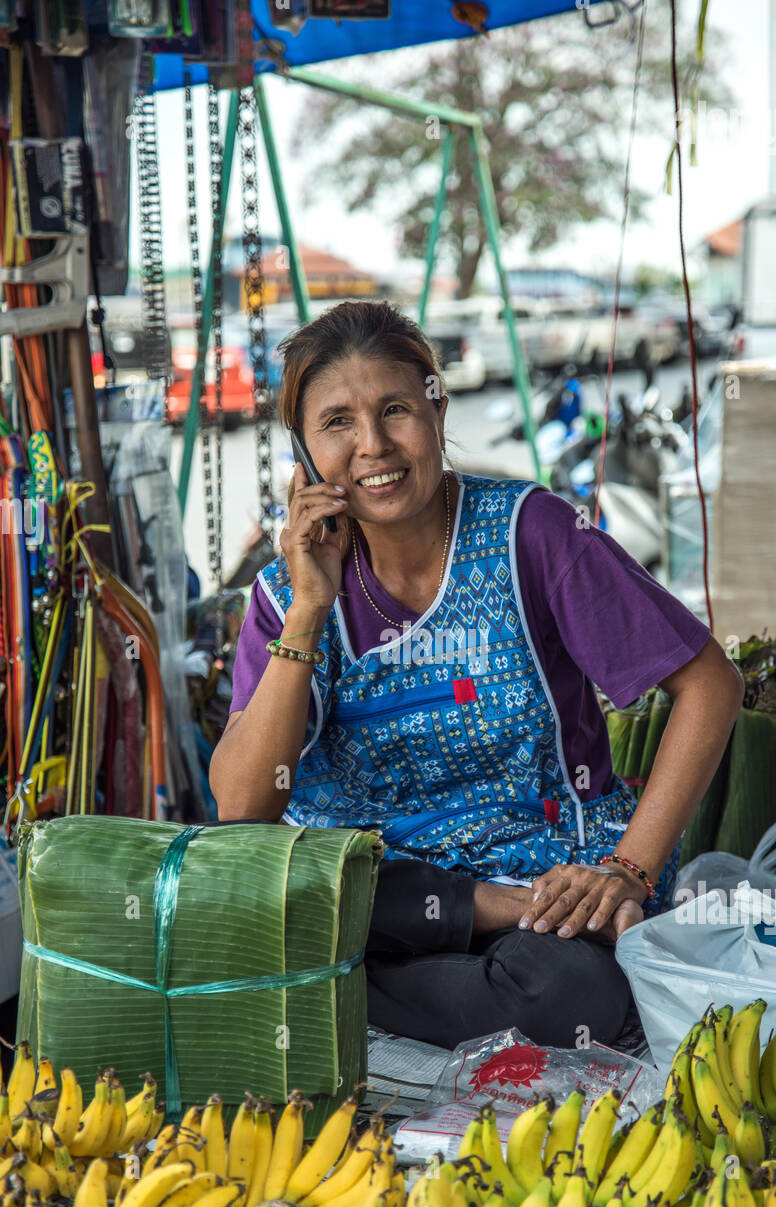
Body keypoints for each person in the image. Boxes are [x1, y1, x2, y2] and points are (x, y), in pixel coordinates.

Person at [210, 300, 743, 1053]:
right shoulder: (286, 593)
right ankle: (418, 957)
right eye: (336, 423)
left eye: (395, 409)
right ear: (302, 449)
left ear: (437, 408)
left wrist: (628, 869)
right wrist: (308, 611)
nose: (372, 446)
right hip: (374, 896)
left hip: (540, 897)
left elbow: (709, 684)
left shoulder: (534, 533)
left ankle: (324, 996)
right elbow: (241, 807)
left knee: (568, 994)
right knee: (255, 894)